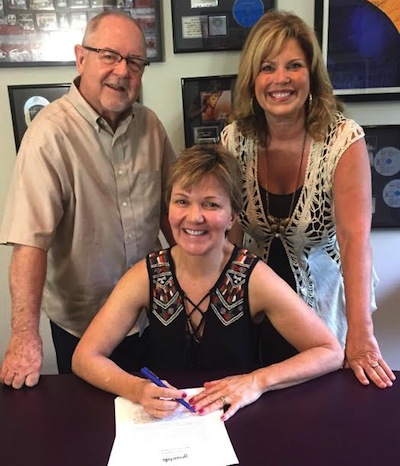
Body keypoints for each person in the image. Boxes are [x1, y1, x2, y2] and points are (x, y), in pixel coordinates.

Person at [72, 144, 343, 421]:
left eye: (211, 204)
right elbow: (85, 357)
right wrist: (138, 389)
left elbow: (330, 352)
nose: (194, 217)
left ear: (232, 217)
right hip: (166, 423)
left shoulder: (253, 276)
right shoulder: (146, 274)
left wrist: (257, 381)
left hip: (237, 418)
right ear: (168, 209)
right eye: (182, 201)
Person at [0, 11, 176, 389]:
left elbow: (171, 212)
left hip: (151, 315)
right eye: (109, 55)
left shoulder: (151, 127)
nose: (122, 71)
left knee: (159, 420)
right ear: (81, 58)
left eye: (134, 61)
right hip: (85, 330)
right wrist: (24, 336)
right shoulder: (48, 136)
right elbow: (30, 242)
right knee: (92, 434)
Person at [220, 10, 395, 388]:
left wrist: (361, 333)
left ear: (311, 75)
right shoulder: (234, 139)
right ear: (252, 79)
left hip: (325, 308)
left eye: (293, 65)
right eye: (267, 67)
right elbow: (229, 237)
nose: (280, 79)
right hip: (256, 305)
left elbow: (354, 241)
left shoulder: (343, 139)